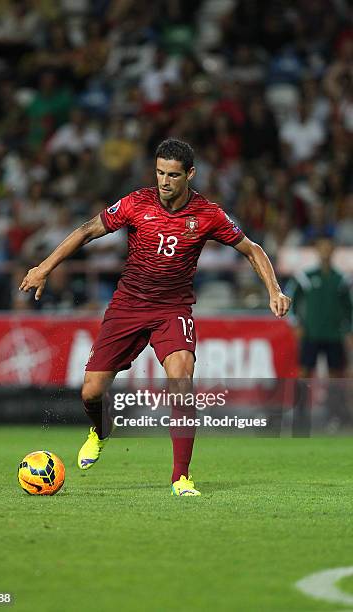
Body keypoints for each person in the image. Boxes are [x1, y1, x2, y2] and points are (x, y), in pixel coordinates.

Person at [19, 139, 291, 496]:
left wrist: (273, 289)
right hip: (127, 306)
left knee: (181, 381)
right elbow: (86, 230)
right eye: (160, 172)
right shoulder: (136, 203)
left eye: (173, 175)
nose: (164, 181)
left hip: (172, 309)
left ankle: (181, 477)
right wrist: (43, 267)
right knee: (92, 391)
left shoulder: (207, 214)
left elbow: (252, 249)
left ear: (189, 175)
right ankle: (101, 430)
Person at [288, 237, 352, 428]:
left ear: (333, 251)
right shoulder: (305, 277)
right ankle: (299, 416)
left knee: (335, 377)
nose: (325, 251)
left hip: (334, 334)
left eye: (328, 248)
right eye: (322, 247)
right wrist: (295, 323)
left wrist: (348, 330)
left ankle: (335, 415)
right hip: (311, 333)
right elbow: (290, 300)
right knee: (304, 373)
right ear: (317, 250)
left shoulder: (341, 279)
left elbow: (349, 308)